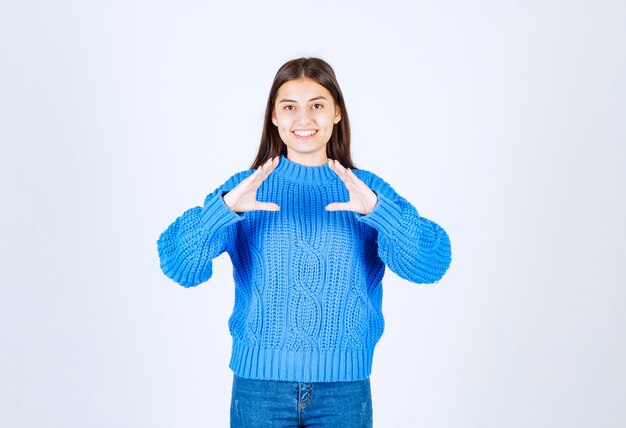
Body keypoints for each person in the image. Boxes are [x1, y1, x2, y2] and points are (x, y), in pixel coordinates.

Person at [157, 57, 452, 428]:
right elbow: (178, 263)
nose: (304, 119)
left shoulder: (367, 190)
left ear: (337, 113)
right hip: (259, 389)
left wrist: (380, 213)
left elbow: (432, 263)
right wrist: (224, 209)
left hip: (344, 392)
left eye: (317, 105)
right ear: (274, 117)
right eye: (290, 107)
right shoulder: (245, 188)